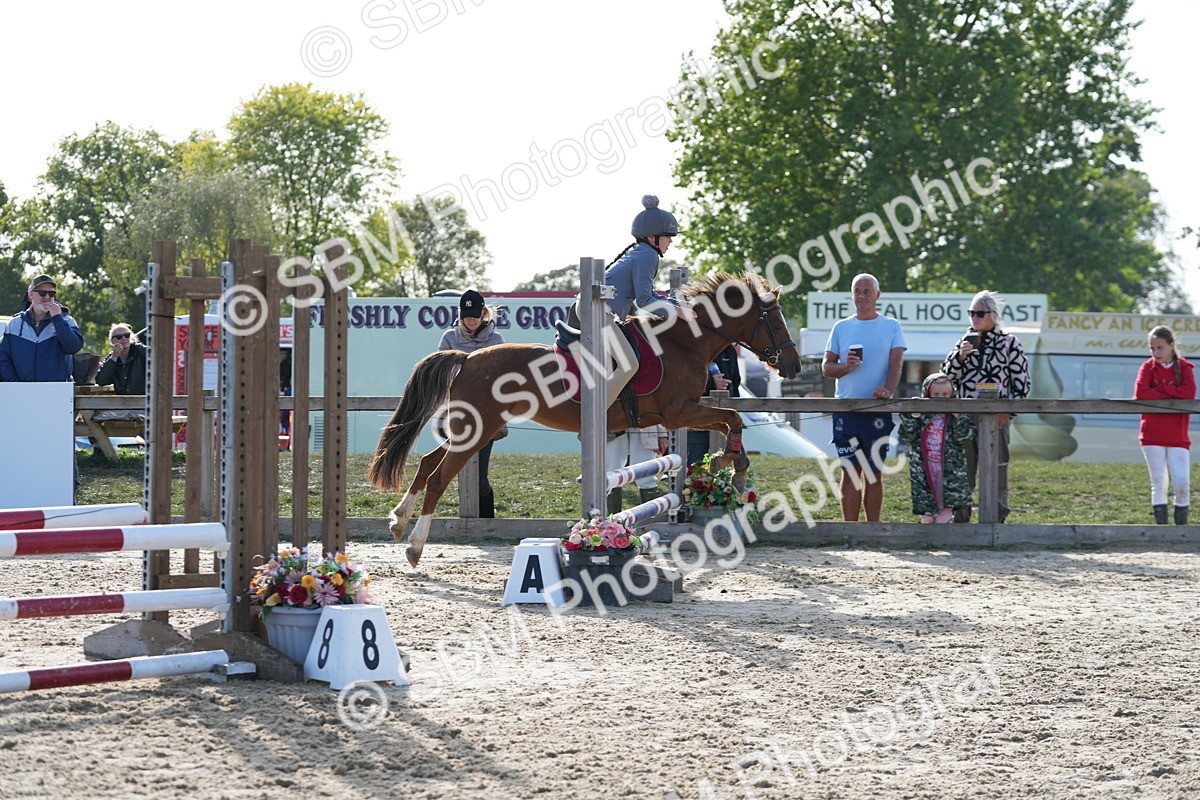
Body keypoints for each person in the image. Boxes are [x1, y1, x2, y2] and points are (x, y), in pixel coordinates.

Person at [569, 194, 694, 411]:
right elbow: (645, 300)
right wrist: (678, 313)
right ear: (652, 237)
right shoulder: (648, 256)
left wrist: (675, 307)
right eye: (668, 236)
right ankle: (597, 416)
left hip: (594, 308)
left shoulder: (642, 252)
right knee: (629, 364)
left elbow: (648, 296)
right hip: (596, 310)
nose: (671, 240)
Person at [939, 290, 1030, 523]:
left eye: (980, 313)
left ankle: (996, 521)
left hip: (997, 418)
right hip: (965, 418)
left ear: (994, 315)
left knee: (997, 470)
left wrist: (1007, 413)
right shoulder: (964, 342)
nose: (974, 317)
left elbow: (1022, 385)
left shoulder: (1010, 344)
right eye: (971, 313)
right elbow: (944, 380)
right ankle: (960, 521)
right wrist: (959, 358)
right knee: (962, 470)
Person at [821, 273, 906, 522]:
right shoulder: (841, 327)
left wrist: (887, 390)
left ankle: (873, 529)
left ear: (878, 295)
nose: (861, 296)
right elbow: (827, 368)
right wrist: (846, 367)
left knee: (873, 472)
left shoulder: (892, 326)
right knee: (850, 471)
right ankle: (850, 530)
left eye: (867, 291)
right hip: (846, 409)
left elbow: (896, 365)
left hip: (877, 408)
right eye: (857, 291)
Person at [437, 289, 505, 518]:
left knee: (480, 474)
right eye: (466, 316)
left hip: (487, 413)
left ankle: (486, 521)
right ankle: (468, 519)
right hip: (457, 412)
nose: (471, 320)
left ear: (483, 313)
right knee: (458, 468)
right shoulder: (448, 338)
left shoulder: (497, 340)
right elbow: (441, 371)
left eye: (474, 315)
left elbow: (502, 377)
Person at [1134, 325, 1195, 525]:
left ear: (1171, 345)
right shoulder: (1147, 367)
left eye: (1160, 347)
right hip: (1152, 433)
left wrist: (1159, 390)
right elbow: (1142, 393)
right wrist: (1170, 392)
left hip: (1177, 434)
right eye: (1152, 348)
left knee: (1182, 483)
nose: (1155, 352)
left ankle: (1181, 529)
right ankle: (1162, 529)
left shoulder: (1185, 367)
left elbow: (1189, 392)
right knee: (1159, 482)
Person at [899, 373, 976, 523]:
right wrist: (910, 415)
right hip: (924, 463)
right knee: (926, 489)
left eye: (945, 394)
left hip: (949, 464)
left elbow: (964, 439)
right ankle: (928, 518)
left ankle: (945, 516)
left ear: (952, 394)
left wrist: (959, 418)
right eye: (936, 394)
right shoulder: (921, 414)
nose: (941, 398)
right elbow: (910, 436)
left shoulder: (957, 415)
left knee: (946, 492)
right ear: (927, 394)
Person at [0, 275, 84, 382]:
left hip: (56, 392)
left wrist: (57, 318)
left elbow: (73, 347)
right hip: (20, 392)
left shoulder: (66, 321)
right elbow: (3, 359)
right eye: (42, 293)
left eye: (51, 293)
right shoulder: (14, 324)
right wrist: (14, 384)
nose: (47, 297)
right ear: (31, 295)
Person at [687, 343, 741, 466]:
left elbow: (735, 381)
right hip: (698, 419)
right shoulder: (695, 344)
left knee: (727, 464)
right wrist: (711, 383)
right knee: (695, 464)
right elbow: (684, 381)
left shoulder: (729, 350)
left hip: (726, 420)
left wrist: (737, 413)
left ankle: (724, 485)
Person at [605, 426, 671, 514]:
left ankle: (651, 518)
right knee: (612, 475)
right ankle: (613, 522)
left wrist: (662, 435)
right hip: (614, 426)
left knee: (647, 475)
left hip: (644, 424)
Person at [93, 322, 150, 421]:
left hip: (144, 404)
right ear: (112, 341)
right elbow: (101, 381)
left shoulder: (141, 351)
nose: (124, 339)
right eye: (119, 337)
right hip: (124, 405)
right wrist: (114, 358)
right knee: (95, 417)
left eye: (127, 335)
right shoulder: (112, 357)